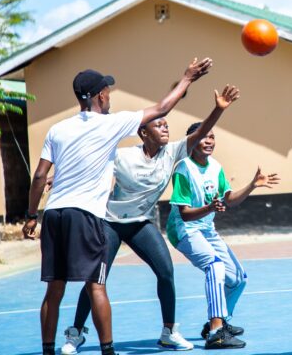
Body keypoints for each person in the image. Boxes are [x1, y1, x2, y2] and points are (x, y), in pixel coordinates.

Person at [22, 58, 212, 355]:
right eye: (108, 91)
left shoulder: (57, 129)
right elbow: (162, 107)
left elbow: (39, 176)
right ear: (100, 96)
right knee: (96, 284)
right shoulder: (111, 124)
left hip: (55, 213)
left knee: (54, 289)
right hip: (88, 215)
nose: (110, 95)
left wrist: (32, 215)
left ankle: (48, 349)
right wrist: (187, 78)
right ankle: (105, 349)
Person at [59, 85, 240, 354]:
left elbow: (200, 132)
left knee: (166, 271)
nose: (165, 128)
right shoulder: (122, 157)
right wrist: (56, 176)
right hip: (110, 223)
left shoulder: (173, 152)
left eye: (166, 125)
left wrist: (218, 109)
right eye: (159, 125)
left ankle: (169, 332)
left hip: (140, 223)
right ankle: (75, 333)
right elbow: (88, 165)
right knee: (96, 278)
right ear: (143, 132)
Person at [166, 122, 280, 349]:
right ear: (192, 141)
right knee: (215, 266)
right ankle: (216, 333)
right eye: (203, 137)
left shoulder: (215, 167)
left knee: (238, 278)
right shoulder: (183, 169)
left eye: (212, 137)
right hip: (184, 230)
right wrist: (210, 208)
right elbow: (185, 214)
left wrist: (252, 185)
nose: (209, 141)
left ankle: (218, 322)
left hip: (206, 229)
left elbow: (229, 200)